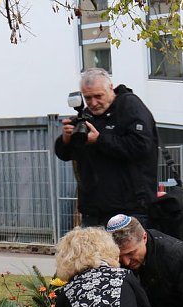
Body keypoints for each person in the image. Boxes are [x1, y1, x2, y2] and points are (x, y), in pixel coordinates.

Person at [54, 68, 159, 228]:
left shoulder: (129, 106)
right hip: (93, 211)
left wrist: (100, 140)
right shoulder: (87, 116)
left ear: (111, 88)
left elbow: (141, 146)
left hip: (130, 209)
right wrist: (66, 140)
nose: (93, 103)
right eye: (88, 98)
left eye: (98, 96)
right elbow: (65, 154)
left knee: (128, 246)